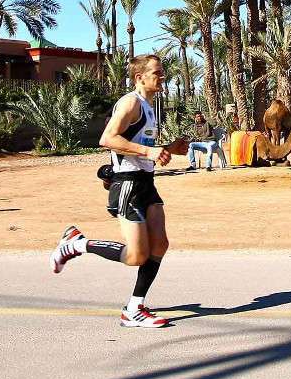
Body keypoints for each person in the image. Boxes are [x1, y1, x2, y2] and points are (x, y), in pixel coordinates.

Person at [50, 54, 188, 328]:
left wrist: (169, 148)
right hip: (127, 184)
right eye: (157, 73)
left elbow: (137, 144)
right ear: (140, 77)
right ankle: (77, 244)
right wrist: (149, 150)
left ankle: (134, 308)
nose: (163, 77)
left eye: (162, 73)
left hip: (146, 183)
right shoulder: (130, 102)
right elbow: (108, 139)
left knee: (160, 244)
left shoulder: (150, 105)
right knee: (136, 255)